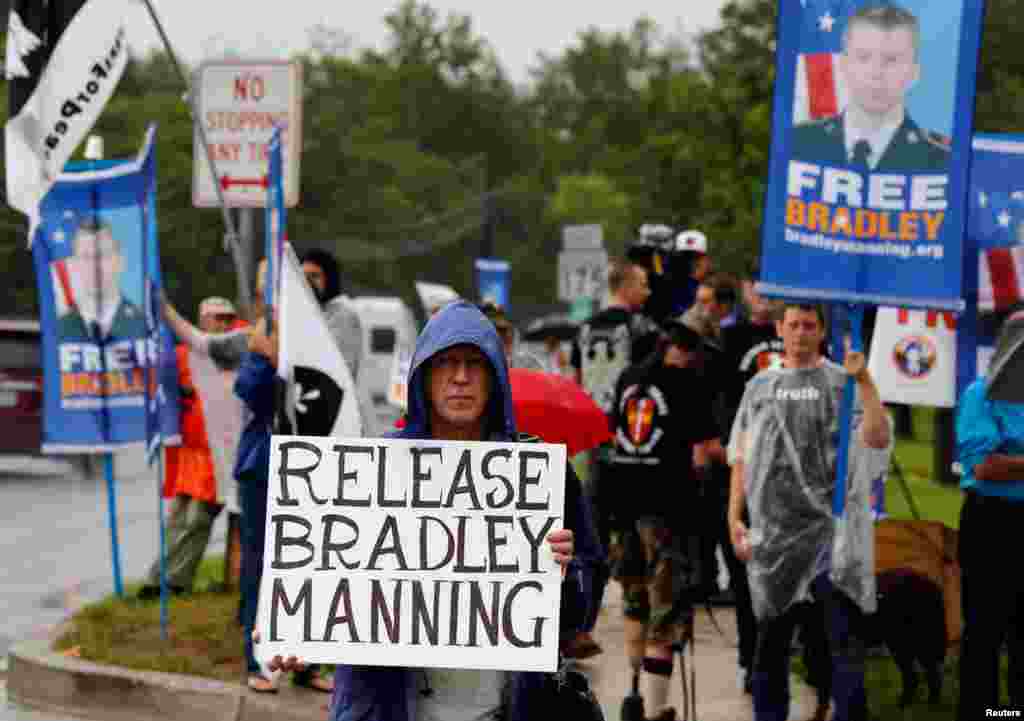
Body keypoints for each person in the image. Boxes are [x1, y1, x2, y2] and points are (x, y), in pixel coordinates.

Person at [264, 300, 586, 721]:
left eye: (475, 363)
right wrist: (293, 627)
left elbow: (579, 610)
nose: (460, 377)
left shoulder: (539, 474)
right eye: (445, 363)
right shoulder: (368, 470)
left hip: (503, 709)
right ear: (422, 375)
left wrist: (565, 572)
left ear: (495, 377)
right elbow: (327, 582)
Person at [728, 303, 892, 721]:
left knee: (842, 647)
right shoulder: (759, 387)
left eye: (809, 326)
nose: (800, 333)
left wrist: (865, 381)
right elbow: (741, 457)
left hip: (832, 539)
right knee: (771, 650)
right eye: (793, 325)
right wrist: (735, 516)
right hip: (776, 539)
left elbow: (876, 439)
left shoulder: (843, 384)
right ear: (780, 329)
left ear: (822, 331)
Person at [610, 321, 720, 721]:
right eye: (693, 352)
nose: (694, 360)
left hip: (624, 507)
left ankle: (632, 696)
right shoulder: (685, 384)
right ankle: (656, 710)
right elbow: (706, 448)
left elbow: (615, 435)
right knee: (665, 614)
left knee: (635, 603)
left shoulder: (628, 377)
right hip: (668, 512)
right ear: (682, 349)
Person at [234, 260, 333, 694]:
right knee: (261, 570)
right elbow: (251, 392)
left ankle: (307, 663)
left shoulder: (323, 333)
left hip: (313, 471)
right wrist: (265, 354)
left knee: (312, 567)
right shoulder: (263, 332)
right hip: (264, 469)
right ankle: (259, 663)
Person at [569, 258, 658, 659]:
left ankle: (582, 625)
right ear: (625, 286)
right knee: (637, 538)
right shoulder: (641, 328)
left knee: (593, 539)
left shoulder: (585, 329)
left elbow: (576, 380)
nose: (648, 291)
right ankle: (640, 624)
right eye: (642, 283)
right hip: (631, 443)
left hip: (595, 442)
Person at [137, 297, 239, 599]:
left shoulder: (236, 355)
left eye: (227, 318)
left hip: (221, 454)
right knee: (177, 517)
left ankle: (175, 582)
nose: (222, 323)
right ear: (202, 320)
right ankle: (158, 579)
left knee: (198, 519)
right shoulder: (180, 356)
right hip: (189, 452)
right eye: (216, 318)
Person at [956, 308, 1024, 720]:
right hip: (992, 521)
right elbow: (984, 466)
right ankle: (982, 712)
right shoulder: (980, 394)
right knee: (985, 627)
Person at [790, 2, 949, 173]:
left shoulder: (942, 163)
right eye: (863, 58)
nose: (876, 73)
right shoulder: (796, 144)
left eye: (891, 60)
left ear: (914, 72)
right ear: (843, 65)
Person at [57, 216, 147, 341]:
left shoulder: (145, 325)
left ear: (120, 261)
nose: (94, 266)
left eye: (102, 255)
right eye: (86, 257)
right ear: (74, 264)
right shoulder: (59, 329)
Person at [478, 301, 545, 370]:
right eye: (490, 331)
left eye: (502, 331)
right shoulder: (473, 361)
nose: (498, 337)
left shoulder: (527, 362)